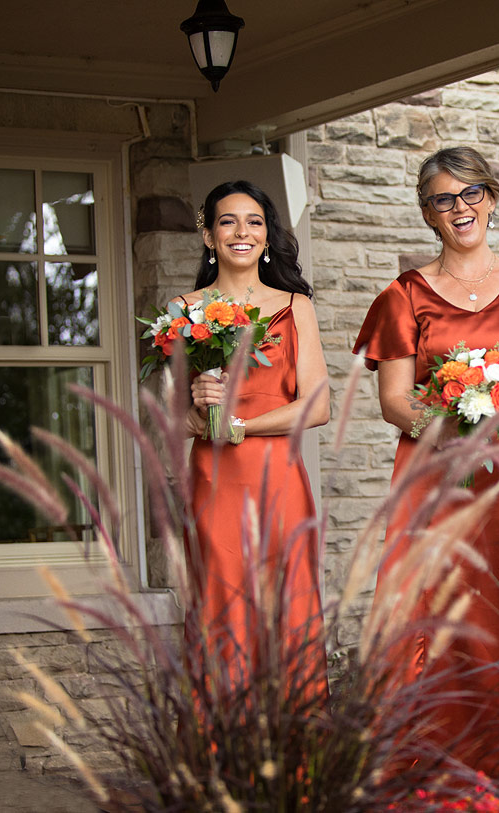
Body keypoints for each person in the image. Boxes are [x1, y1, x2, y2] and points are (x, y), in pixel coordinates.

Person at [353, 146, 499, 774]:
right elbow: (394, 400)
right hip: (440, 476)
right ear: (427, 215)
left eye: (472, 192)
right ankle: (436, 764)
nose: (460, 208)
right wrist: (453, 426)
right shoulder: (404, 294)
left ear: (494, 197)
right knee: (440, 608)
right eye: (443, 200)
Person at [180, 180, 330, 688]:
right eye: (227, 221)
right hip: (214, 481)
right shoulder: (183, 308)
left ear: (267, 237)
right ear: (208, 235)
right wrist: (199, 406)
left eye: (254, 222)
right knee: (220, 608)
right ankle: (221, 754)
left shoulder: (295, 307)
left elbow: (318, 405)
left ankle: (296, 755)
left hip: (279, 482)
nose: (241, 231)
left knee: (288, 607)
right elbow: (167, 413)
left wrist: (240, 426)